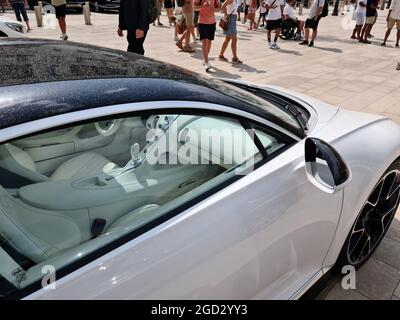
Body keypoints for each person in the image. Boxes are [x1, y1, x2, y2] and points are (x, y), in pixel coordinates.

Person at [194, 0, 221, 71]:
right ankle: (206, 62)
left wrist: (212, 8)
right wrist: (203, 6)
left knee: (209, 42)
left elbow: (218, 9)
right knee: (205, 42)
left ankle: (205, 58)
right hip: (202, 22)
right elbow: (193, 8)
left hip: (212, 23)